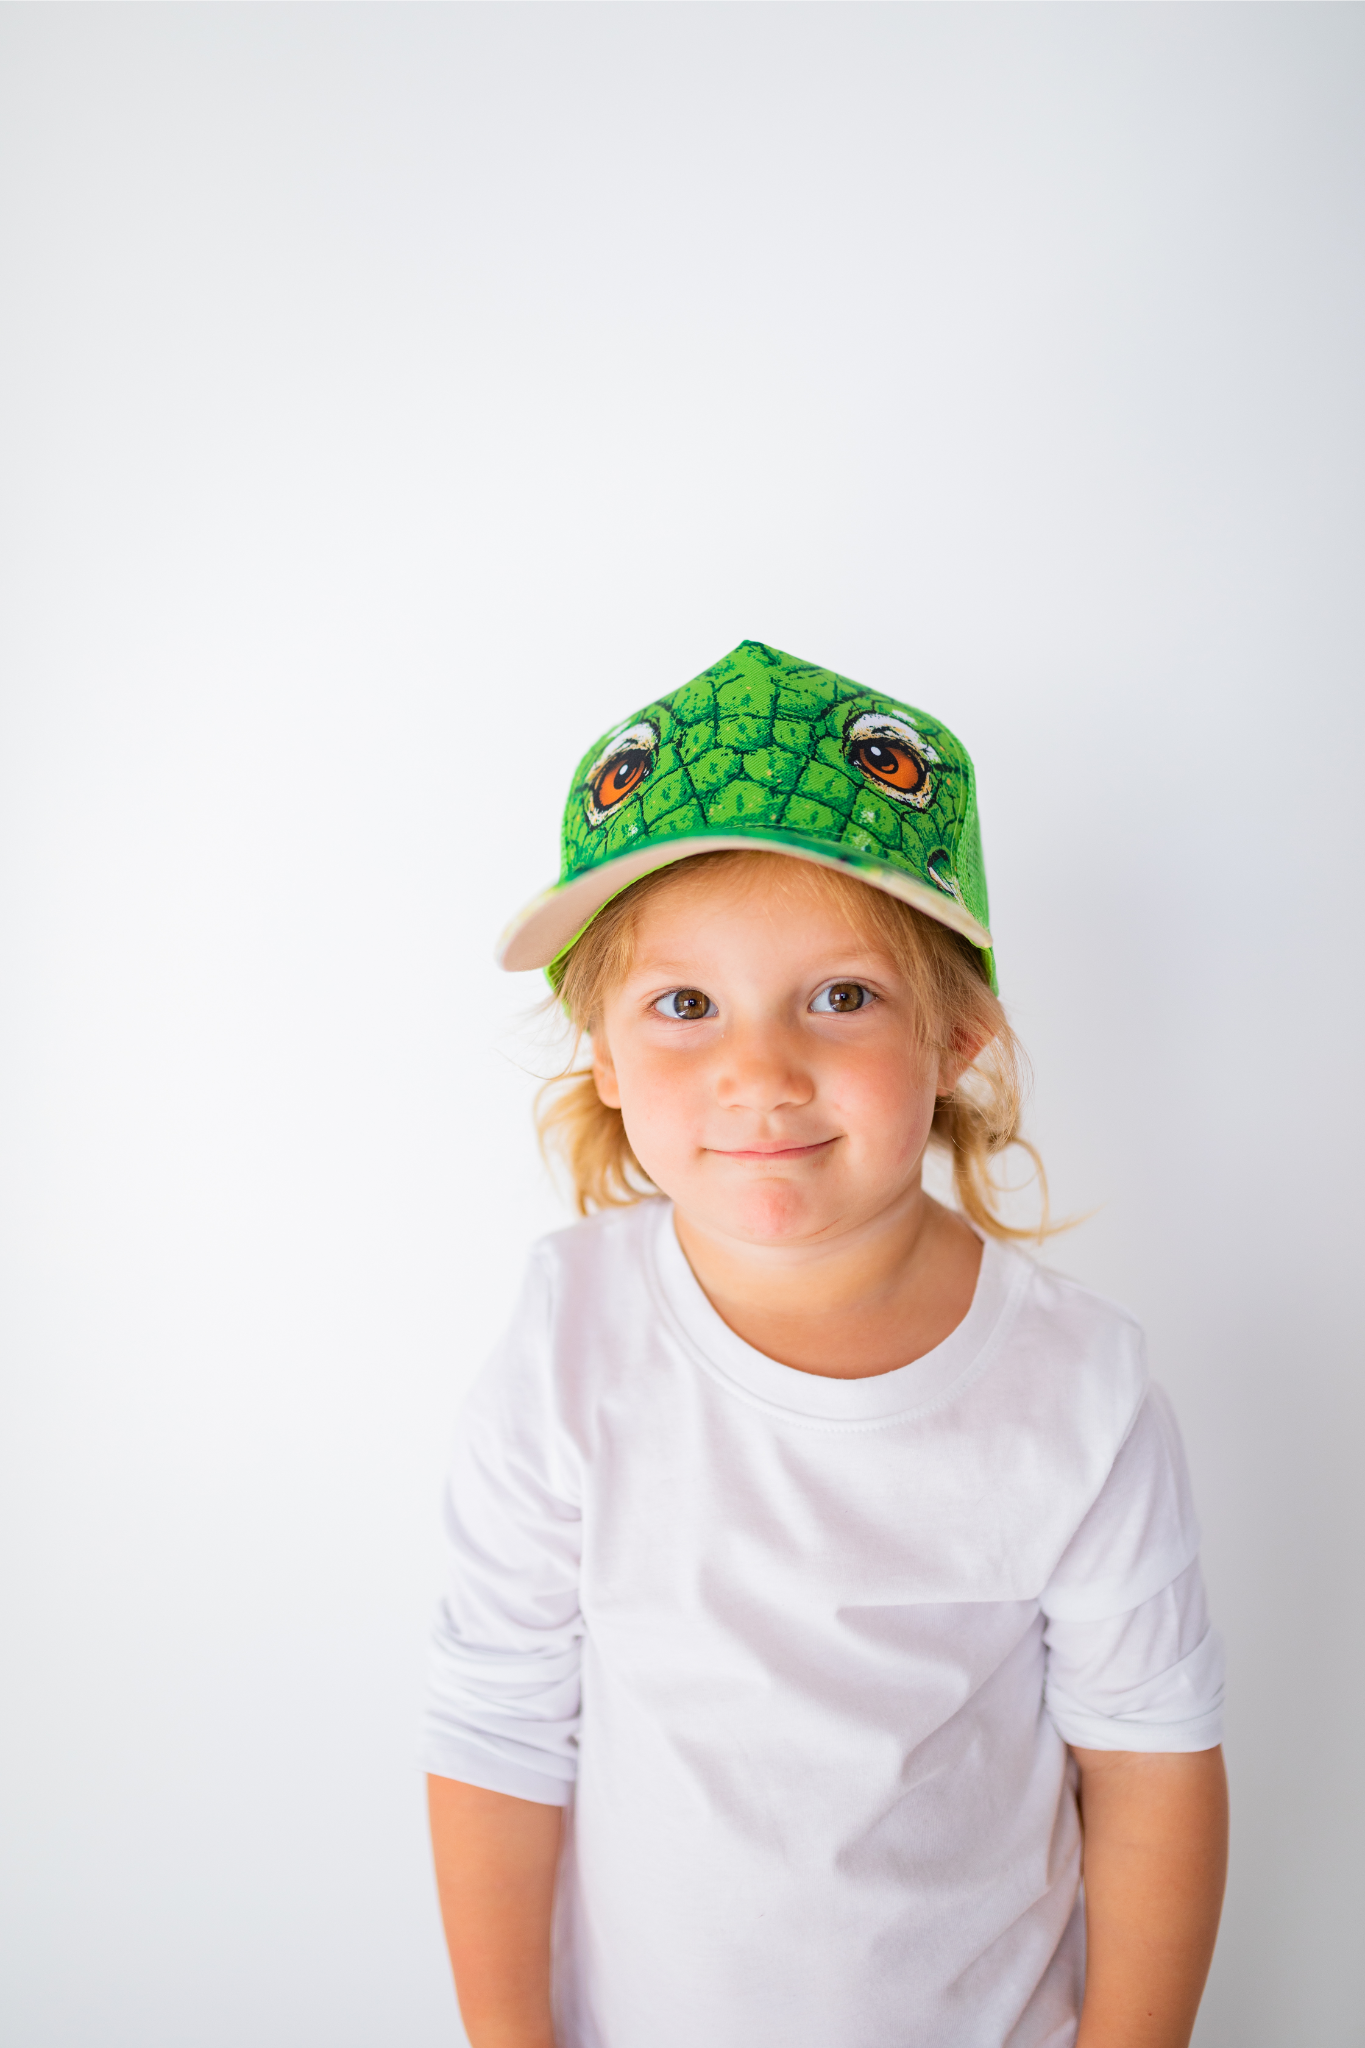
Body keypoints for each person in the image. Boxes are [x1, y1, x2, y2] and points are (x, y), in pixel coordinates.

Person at [423, 640, 1228, 2048]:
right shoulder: (570, 1343)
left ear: (962, 1030)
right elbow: (498, 1730)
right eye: (684, 1007)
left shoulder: (1080, 1395)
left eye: (841, 996)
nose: (758, 1068)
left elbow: (1153, 1769)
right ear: (602, 1055)